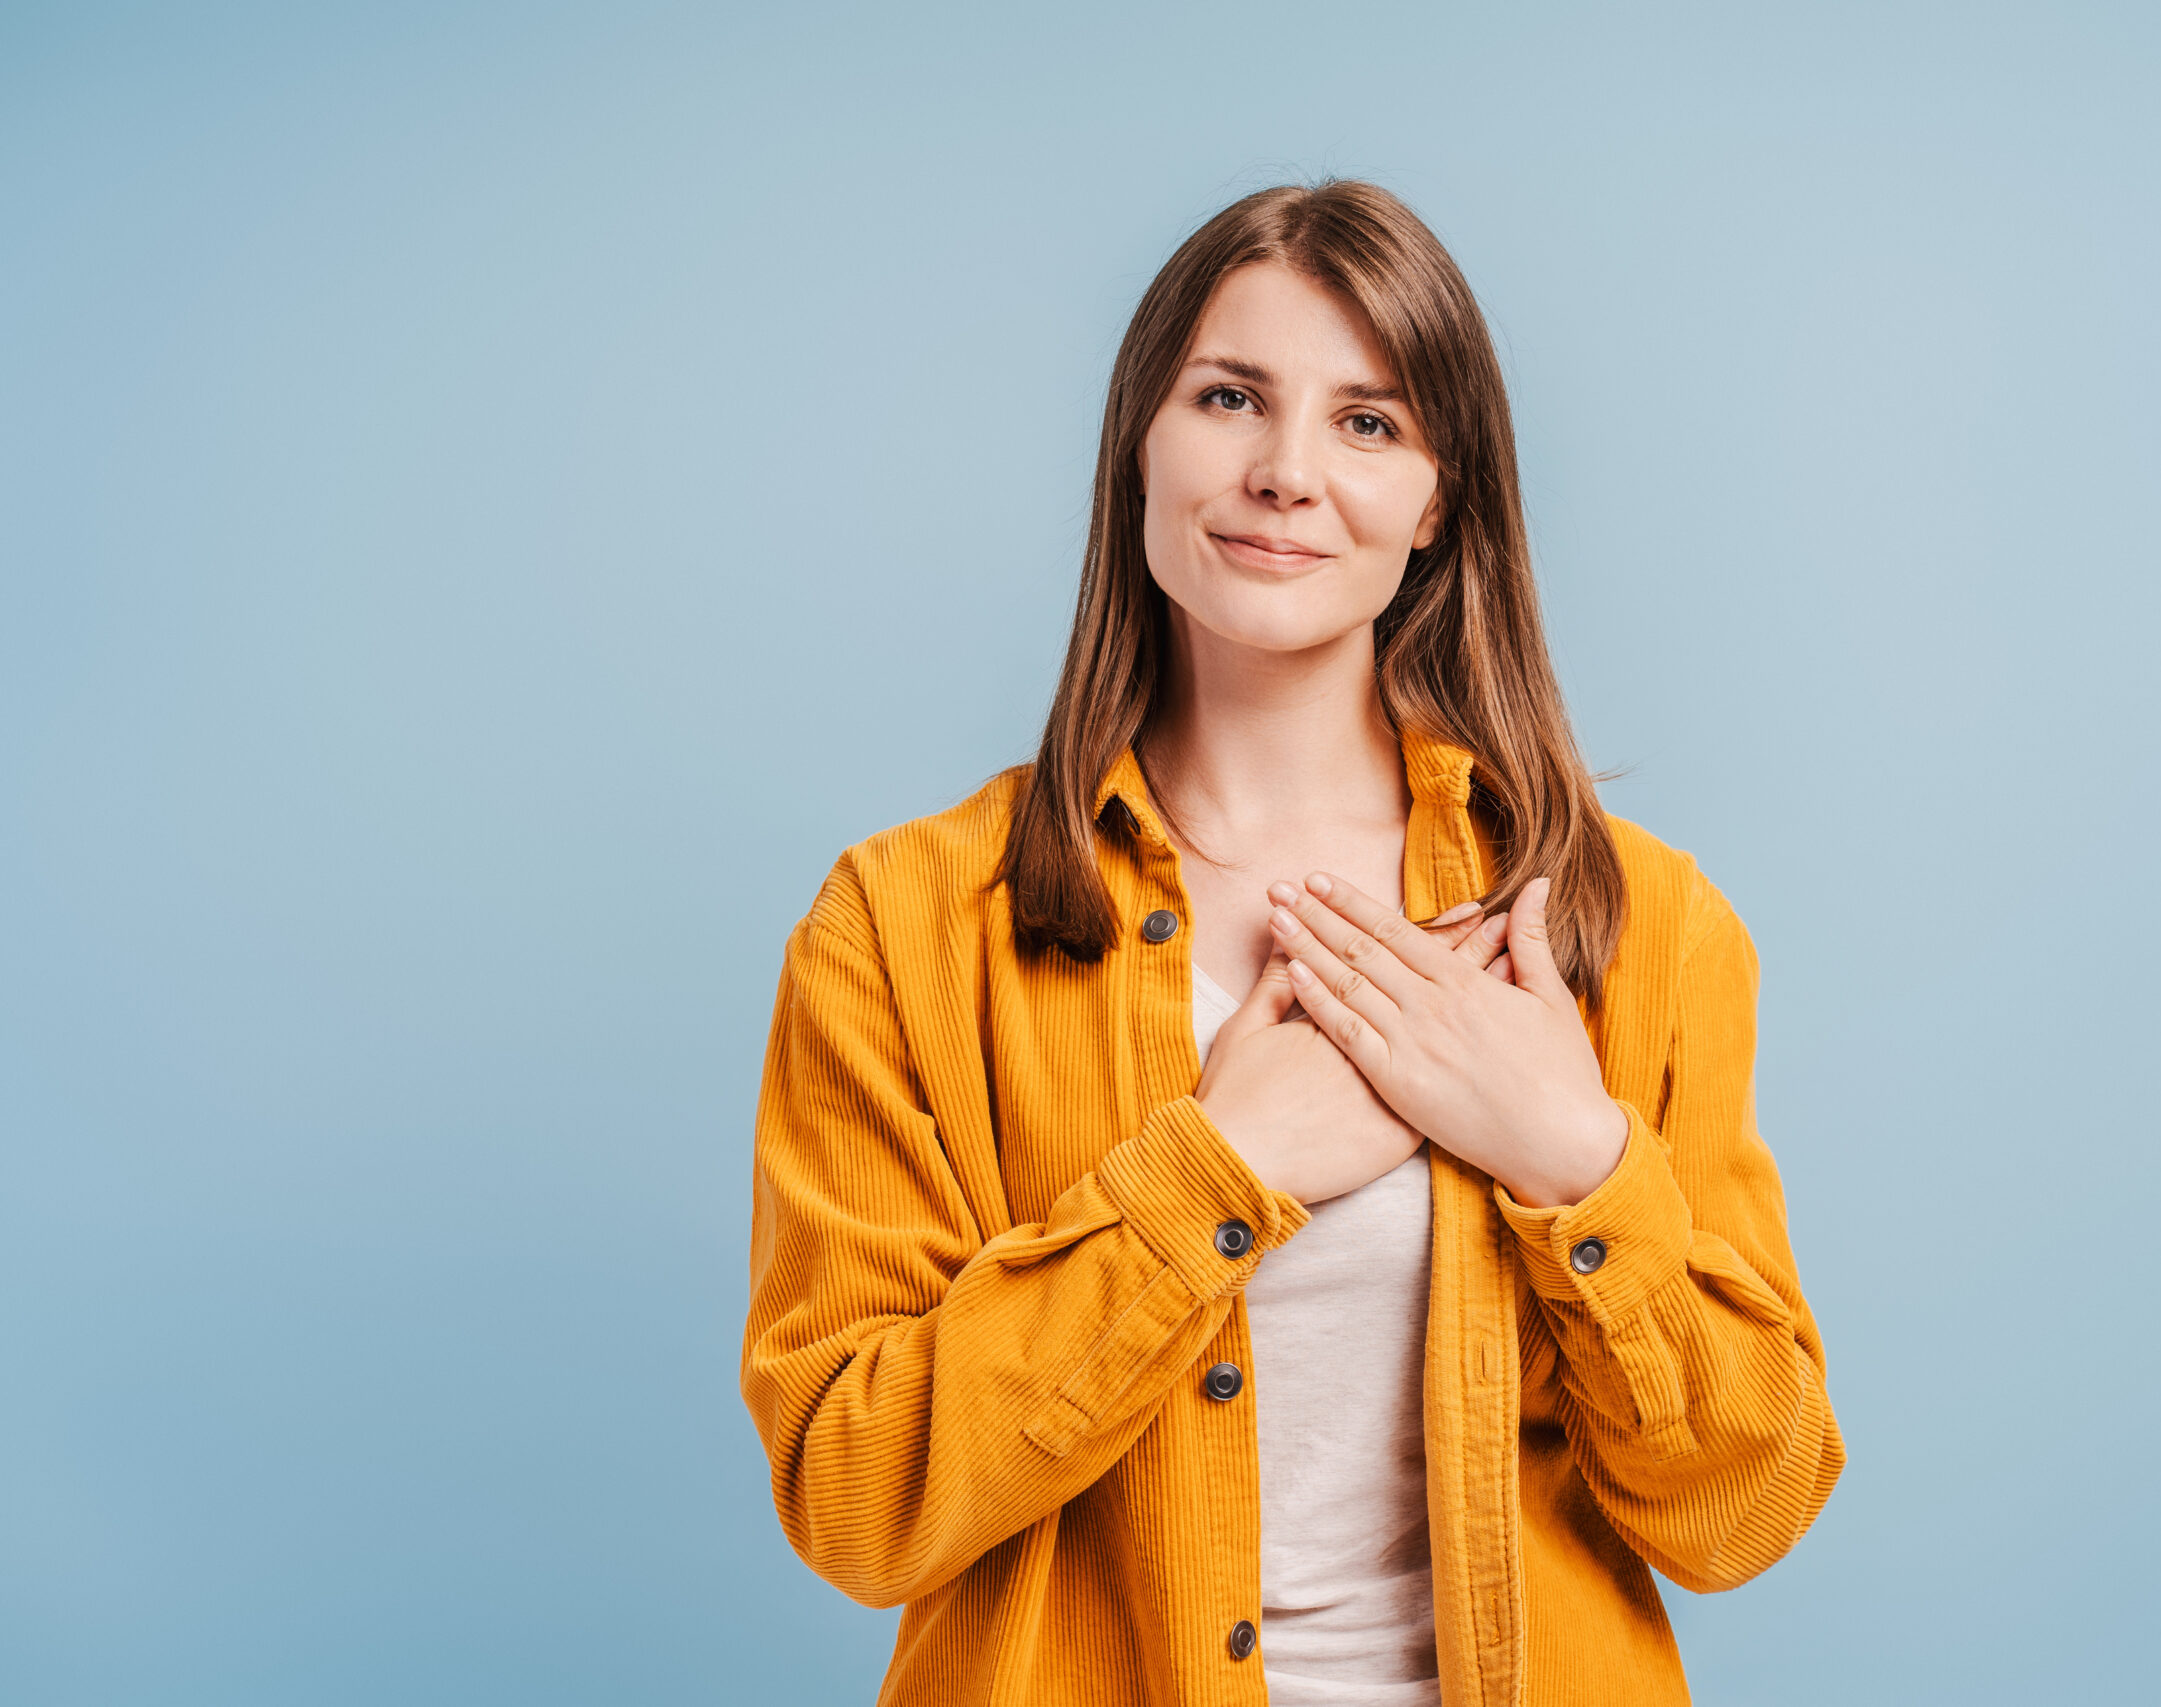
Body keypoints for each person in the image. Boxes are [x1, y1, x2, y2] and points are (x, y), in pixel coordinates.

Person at [739, 179, 1843, 1707]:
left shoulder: (1635, 924)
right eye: (1230, 398)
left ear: (1441, 499)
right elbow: (857, 1500)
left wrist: (1574, 1158)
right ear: (1143, 441)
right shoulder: (903, 927)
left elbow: (1747, 1507)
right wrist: (1211, 1177)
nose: (1284, 472)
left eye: (1368, 423)